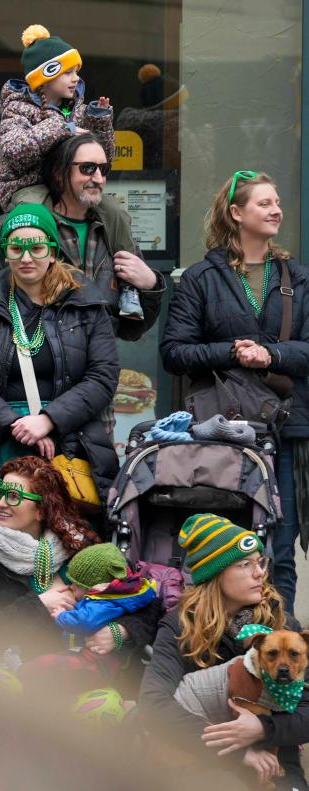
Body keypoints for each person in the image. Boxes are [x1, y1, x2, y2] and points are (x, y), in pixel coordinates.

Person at [161, 171, 309, 614]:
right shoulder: (202, 278)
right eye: (264, 203)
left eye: (277, 201)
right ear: (236, 213)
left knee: (279, 552)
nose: (276, 209)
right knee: (224, 549)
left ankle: (277, 649)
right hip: (224, 432)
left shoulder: (296, 278)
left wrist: (271, 356)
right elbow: (174, 352)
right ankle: (221, 647)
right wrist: (230, 352)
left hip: (287, 429)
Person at [0, 203, 119, 499]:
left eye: (37, 248)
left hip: (70, 438)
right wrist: (12, 423)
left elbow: (103, 376)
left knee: (66, 533)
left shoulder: (87, 301)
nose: (26, 257)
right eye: (16, 248)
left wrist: (48, 420)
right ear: (5, 253)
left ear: (52, 251)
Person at [139, 514, 309, 788]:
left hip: (276, 758)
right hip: (202, 759)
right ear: (215, 574)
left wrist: (263, 729)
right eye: (245, 564)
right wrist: (238, 749)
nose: (259, 573)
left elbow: (307, 706)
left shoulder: (282, 626)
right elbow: (153, 703)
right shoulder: (180, 626)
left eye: (260, 562)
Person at [0, 133, 165, 342]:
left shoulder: (114, 229)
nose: (98, 178)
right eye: (87, 168)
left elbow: (132, 329)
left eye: (104, 169)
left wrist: (150, 286)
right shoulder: (16, 227)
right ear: (59, 173)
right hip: (29, 363)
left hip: (97, 366)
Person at [0, 24, 134, 259]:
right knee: (36, 214)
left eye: (76, 72)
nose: (75, 79)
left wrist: (99, 122)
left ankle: (129, 280)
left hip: (71, 185)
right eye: (68, 72)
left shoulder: (79, 109)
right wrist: (62, 127)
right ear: (46, 77)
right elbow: (14, 151)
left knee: (115, 213)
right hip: (29, 186)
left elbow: (105, 158)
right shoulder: (17, 109)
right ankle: (46, 273)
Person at [0, 456, 99, 669]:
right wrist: (39, 603)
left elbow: (132, 597)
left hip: (81, 673)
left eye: (13, 497)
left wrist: (119, 633)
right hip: (16, 685)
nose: (0, 503)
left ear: (42, 510)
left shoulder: (76, 547)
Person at [52, 543, 159, 641]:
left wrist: (61, 616)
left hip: (87, 649)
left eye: (77, 585)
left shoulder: (103, 604)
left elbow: (84, 622)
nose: (71, 587)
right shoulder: (111, 596)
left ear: (97, 588)